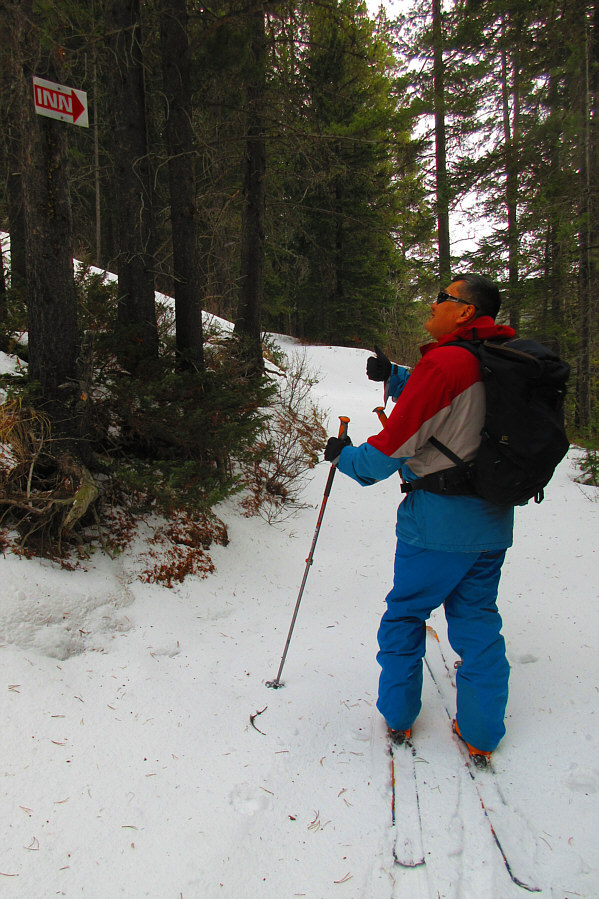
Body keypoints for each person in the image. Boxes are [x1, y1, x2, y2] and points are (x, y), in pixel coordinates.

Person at [324, 274, 516, 764]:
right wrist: (395, 374)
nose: (432, 305)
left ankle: (399, 715)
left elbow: (389, 450)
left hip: (435, 524)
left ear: (466, 312)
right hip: (491, 519)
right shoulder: (496, 359)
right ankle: (481, 732)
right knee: (477, 621)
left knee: (407, 614)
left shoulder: (448, 362)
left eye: (443, 298)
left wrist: (343, 457)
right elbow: (460, 402)